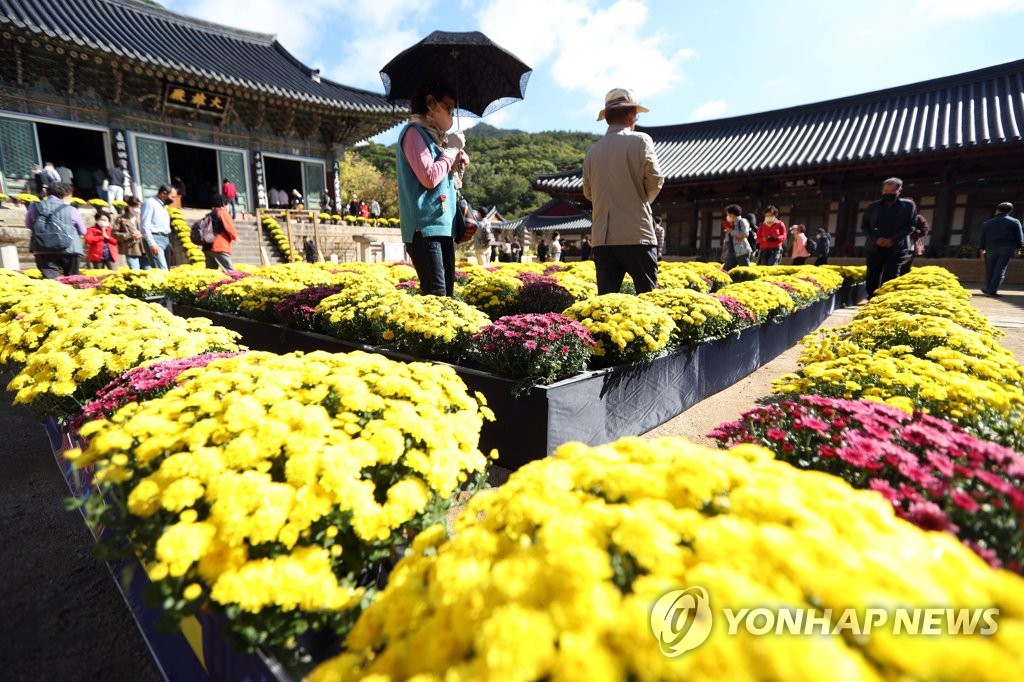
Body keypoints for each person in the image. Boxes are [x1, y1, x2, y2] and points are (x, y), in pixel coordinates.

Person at [582, 88, 665, 295]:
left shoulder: (592, 152)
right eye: (635, 114)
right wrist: (639, 200)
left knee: (606, 305)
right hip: (636, 234)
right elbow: (655, 180)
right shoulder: (641, 140)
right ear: (630, 114)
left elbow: (588, 193)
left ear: (608, 118)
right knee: (649, 301)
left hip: (602, 238)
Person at [395, 83, 469, 297]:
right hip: (424, 229)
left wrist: (455, 158)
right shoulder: (413, 133)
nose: (451, 114)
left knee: (447, 296)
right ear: (430, 103)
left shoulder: (438, 140)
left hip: (444, 227)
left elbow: (444, 180)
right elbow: (429, 177)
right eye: (448, 107)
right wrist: (452, 149)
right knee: (436, 297)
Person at [861, 177, 916, 298]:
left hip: (896, 248)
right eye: (886, 191)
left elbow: (911, 226)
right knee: (872, 275)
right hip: (874, 247)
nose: (888, 193)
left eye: (891, 191)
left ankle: (886, 299)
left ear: (899, 191)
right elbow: (864, 227)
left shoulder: (908, 206)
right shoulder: (873, 207)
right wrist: (876, 239)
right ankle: (872, 298)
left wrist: (893, 240)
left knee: (891, 276)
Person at [24, 182, 87, 278]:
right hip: (70, 249)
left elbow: (29, 224)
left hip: (42, 248)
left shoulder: (34, 206)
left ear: (47, 193)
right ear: (66, 194)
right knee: (72, 281)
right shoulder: (71, 209)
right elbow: (83, 231)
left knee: (52, 282)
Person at [979, 202, 1024, 297]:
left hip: (990, 248)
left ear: (997, 210)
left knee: (990, 269)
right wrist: (1019, 249)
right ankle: (992, 290)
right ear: (1010, 211)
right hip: (1006, 248)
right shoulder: (1014, 221)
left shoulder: (987, 223)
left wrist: (982, 250)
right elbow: (1019, 237)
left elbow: (983, 238)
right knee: (1000, 269)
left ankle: (988, 288)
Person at [140, 184, 178, 270]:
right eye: (172, 197)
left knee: (167, 270)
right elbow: (144, 225)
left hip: (165, 239)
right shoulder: (150, 203)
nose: (174, 200)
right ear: (163, 194)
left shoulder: (163, 206)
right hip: (155, 239)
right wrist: (151, 243)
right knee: (161, 270)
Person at [205, 193, 238, 271]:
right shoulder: (223, 213)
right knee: (230, 271)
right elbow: (229, 227)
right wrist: (235, 237)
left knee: (211, 273)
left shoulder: (209, 214)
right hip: (220, 246)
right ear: (223, 204)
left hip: (207, 246)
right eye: (227, 204)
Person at [112, 196, 145, 269]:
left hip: (144, 248)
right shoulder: (121, 219)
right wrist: (129, 235)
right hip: (131, 249)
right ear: (128, 206)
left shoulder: (143, 217)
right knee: (135, 271)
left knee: (148, 271)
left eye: (138, 207)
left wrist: (141, 234)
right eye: (133, 207)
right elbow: (114, 234)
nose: (136, 209)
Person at [723, 204, 753, 271]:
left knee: (745, 271)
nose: (727, 216)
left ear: (733, 214)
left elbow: (745, 234)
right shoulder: (730, 223)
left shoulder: (742, 221)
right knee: (724, 271)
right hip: (731, 252)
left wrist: (731, 231)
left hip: (742, 252)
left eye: (728, 214)